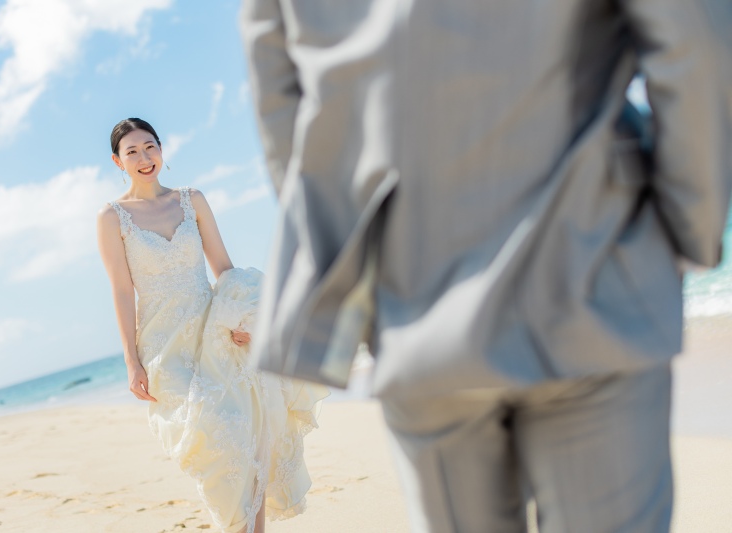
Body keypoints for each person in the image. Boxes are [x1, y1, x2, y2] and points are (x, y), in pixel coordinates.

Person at [240, 1, 732, 532]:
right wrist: (688, 229)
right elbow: (694, 43)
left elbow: (285, 116)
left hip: (413, 308)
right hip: (593, 266)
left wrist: (362, 265)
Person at [96, 118, 327, 533]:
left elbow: (223, 268)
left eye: (150, 147)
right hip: (164, 345)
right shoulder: (112, 218)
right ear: (118, 162)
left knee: (250, 434)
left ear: (162, 150)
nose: (144, 158)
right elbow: (121, 291)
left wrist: (249, 320)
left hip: (213, 331)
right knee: (215, 436)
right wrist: (132, 362)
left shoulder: (192, 200)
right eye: (132, 152)